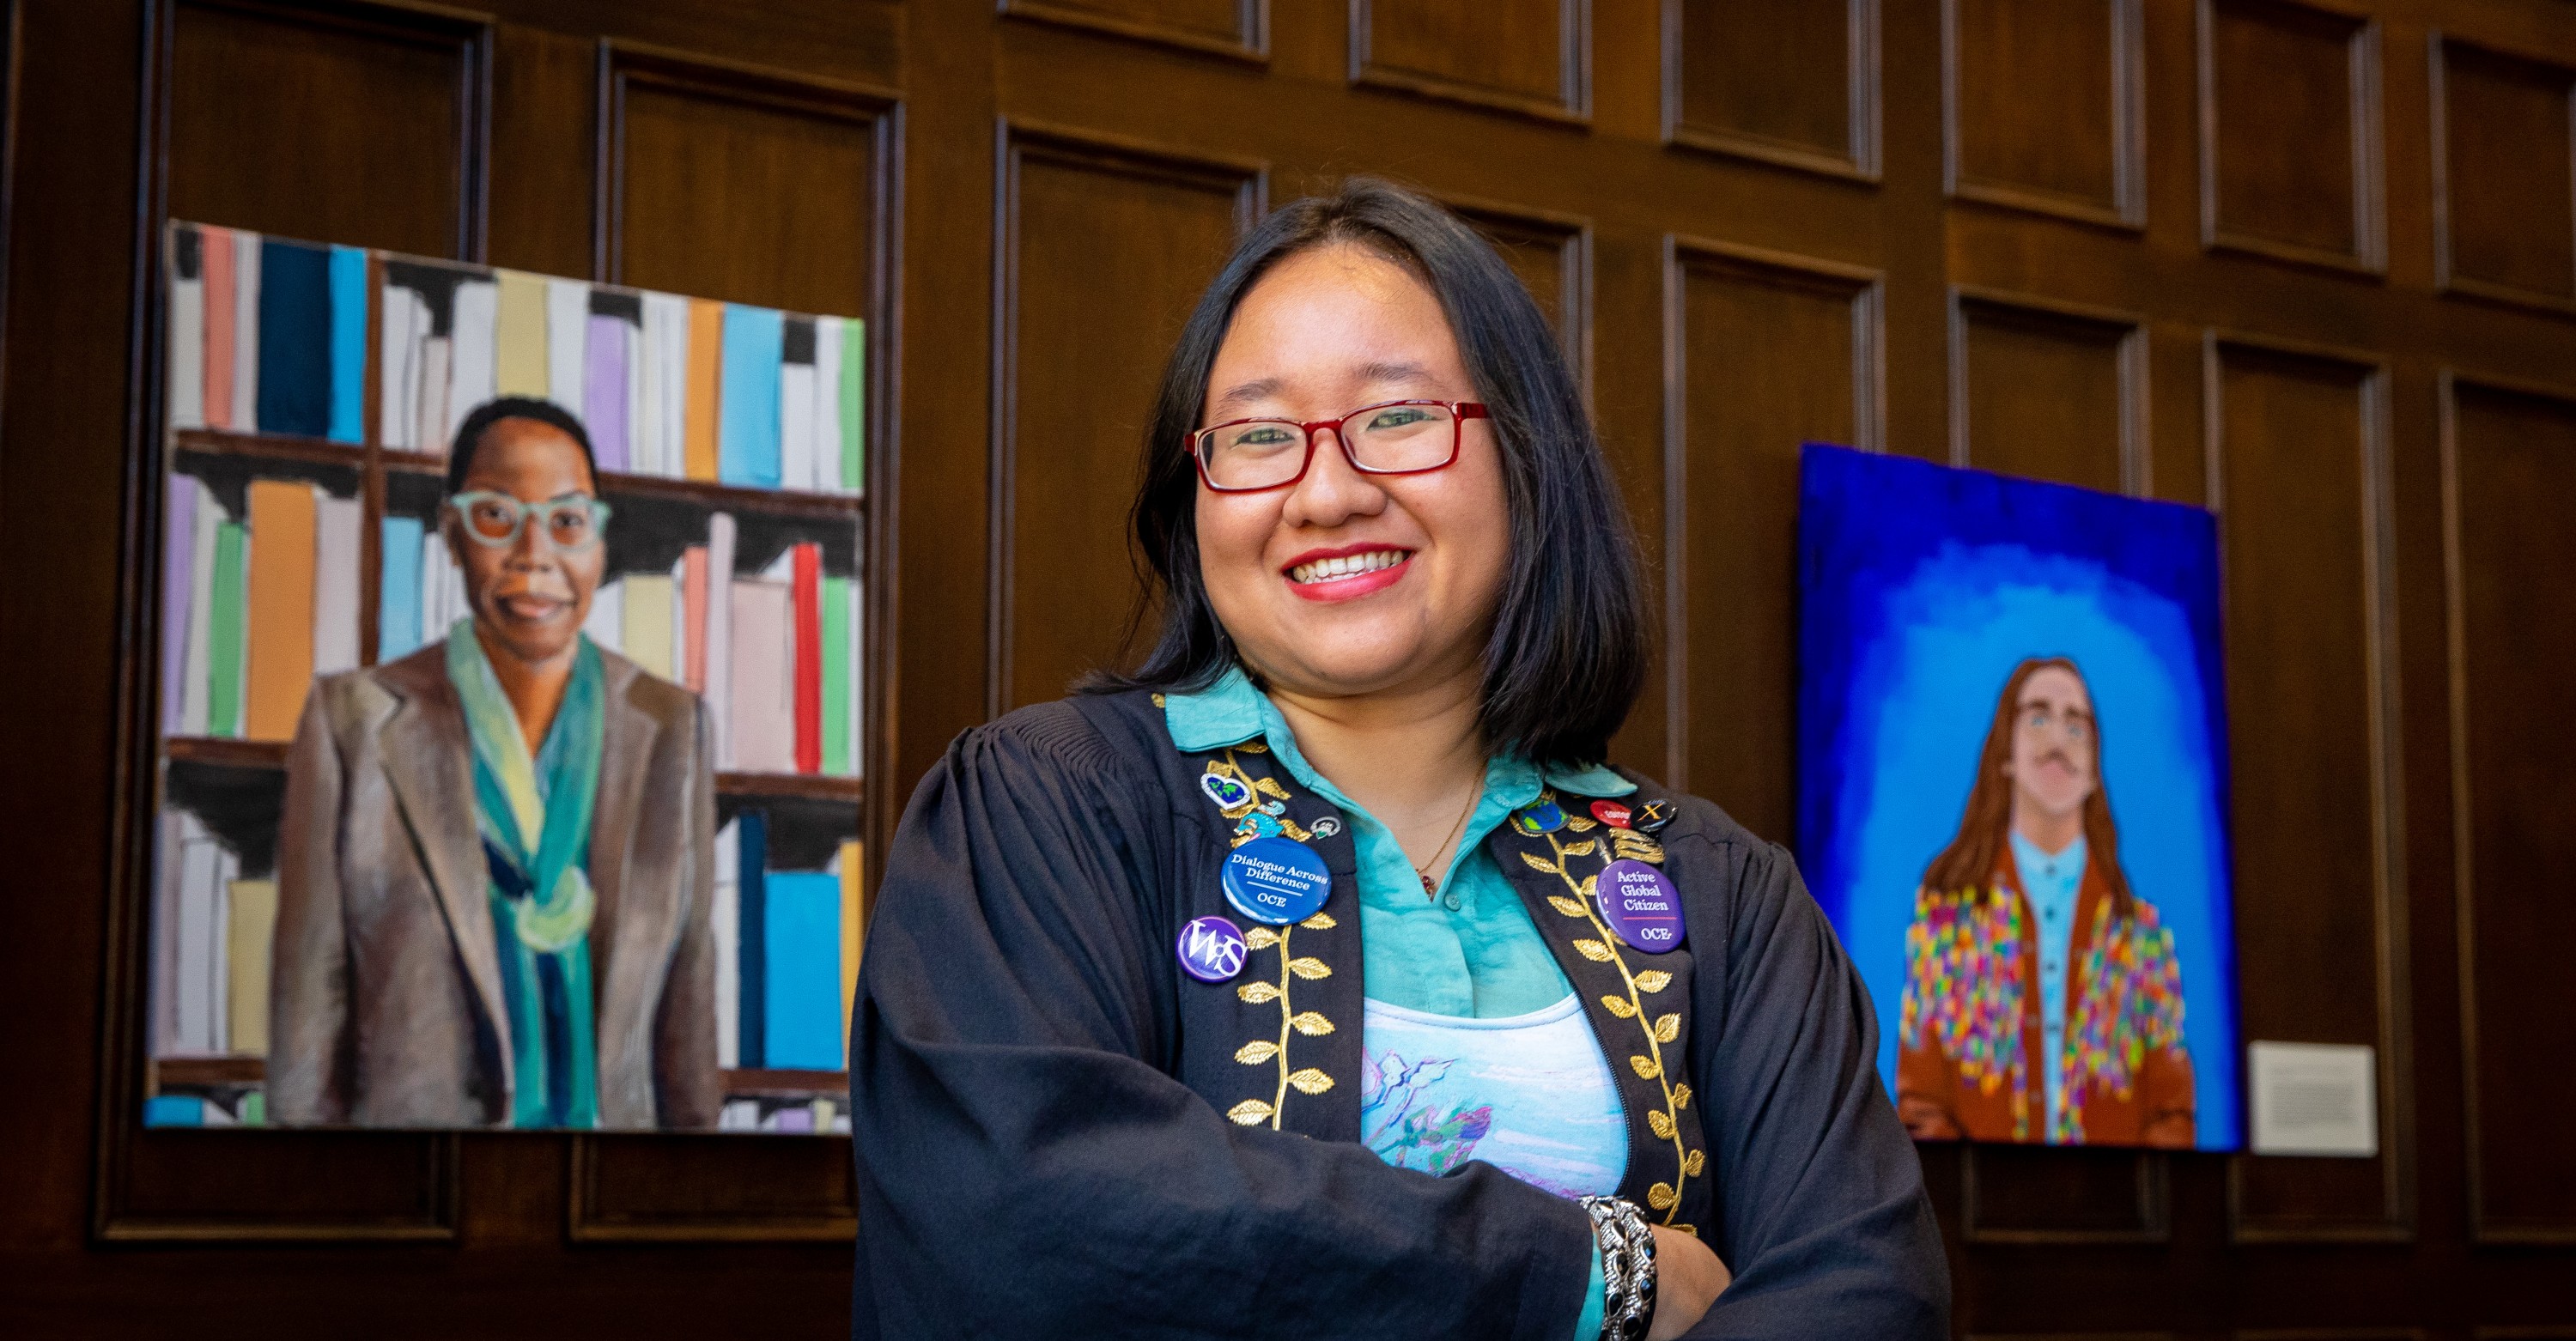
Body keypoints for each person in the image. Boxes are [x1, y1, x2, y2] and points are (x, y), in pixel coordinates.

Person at [848, 179, 1946, 1338]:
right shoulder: (1043, 808)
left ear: (1526, 457)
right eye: (1260, 436)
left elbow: (1866, 1290)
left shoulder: (1718, 891)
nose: (1325, 491)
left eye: (1400, 416)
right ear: (1194, 498)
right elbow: (1024, 1223)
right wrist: (1592, 1273)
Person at [270, 397, 720, 1130]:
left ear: (600, 545)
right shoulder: (351, 724)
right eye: (496, 517)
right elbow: (303, 1050)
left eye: (568, 521)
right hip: (414, 1209)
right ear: (451, 534)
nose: (534, 554)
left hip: (611, 1208)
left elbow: (688, 1024)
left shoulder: (673, 728)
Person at [1897, 657, 2194, 1147]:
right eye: (2038, 718)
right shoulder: (1946, 924)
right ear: (2004, 755)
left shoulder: (2140, 935)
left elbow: (2172, 1116)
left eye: (2076, 726)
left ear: (2095, 770)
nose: (2058, 740)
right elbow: (1920, 1109)